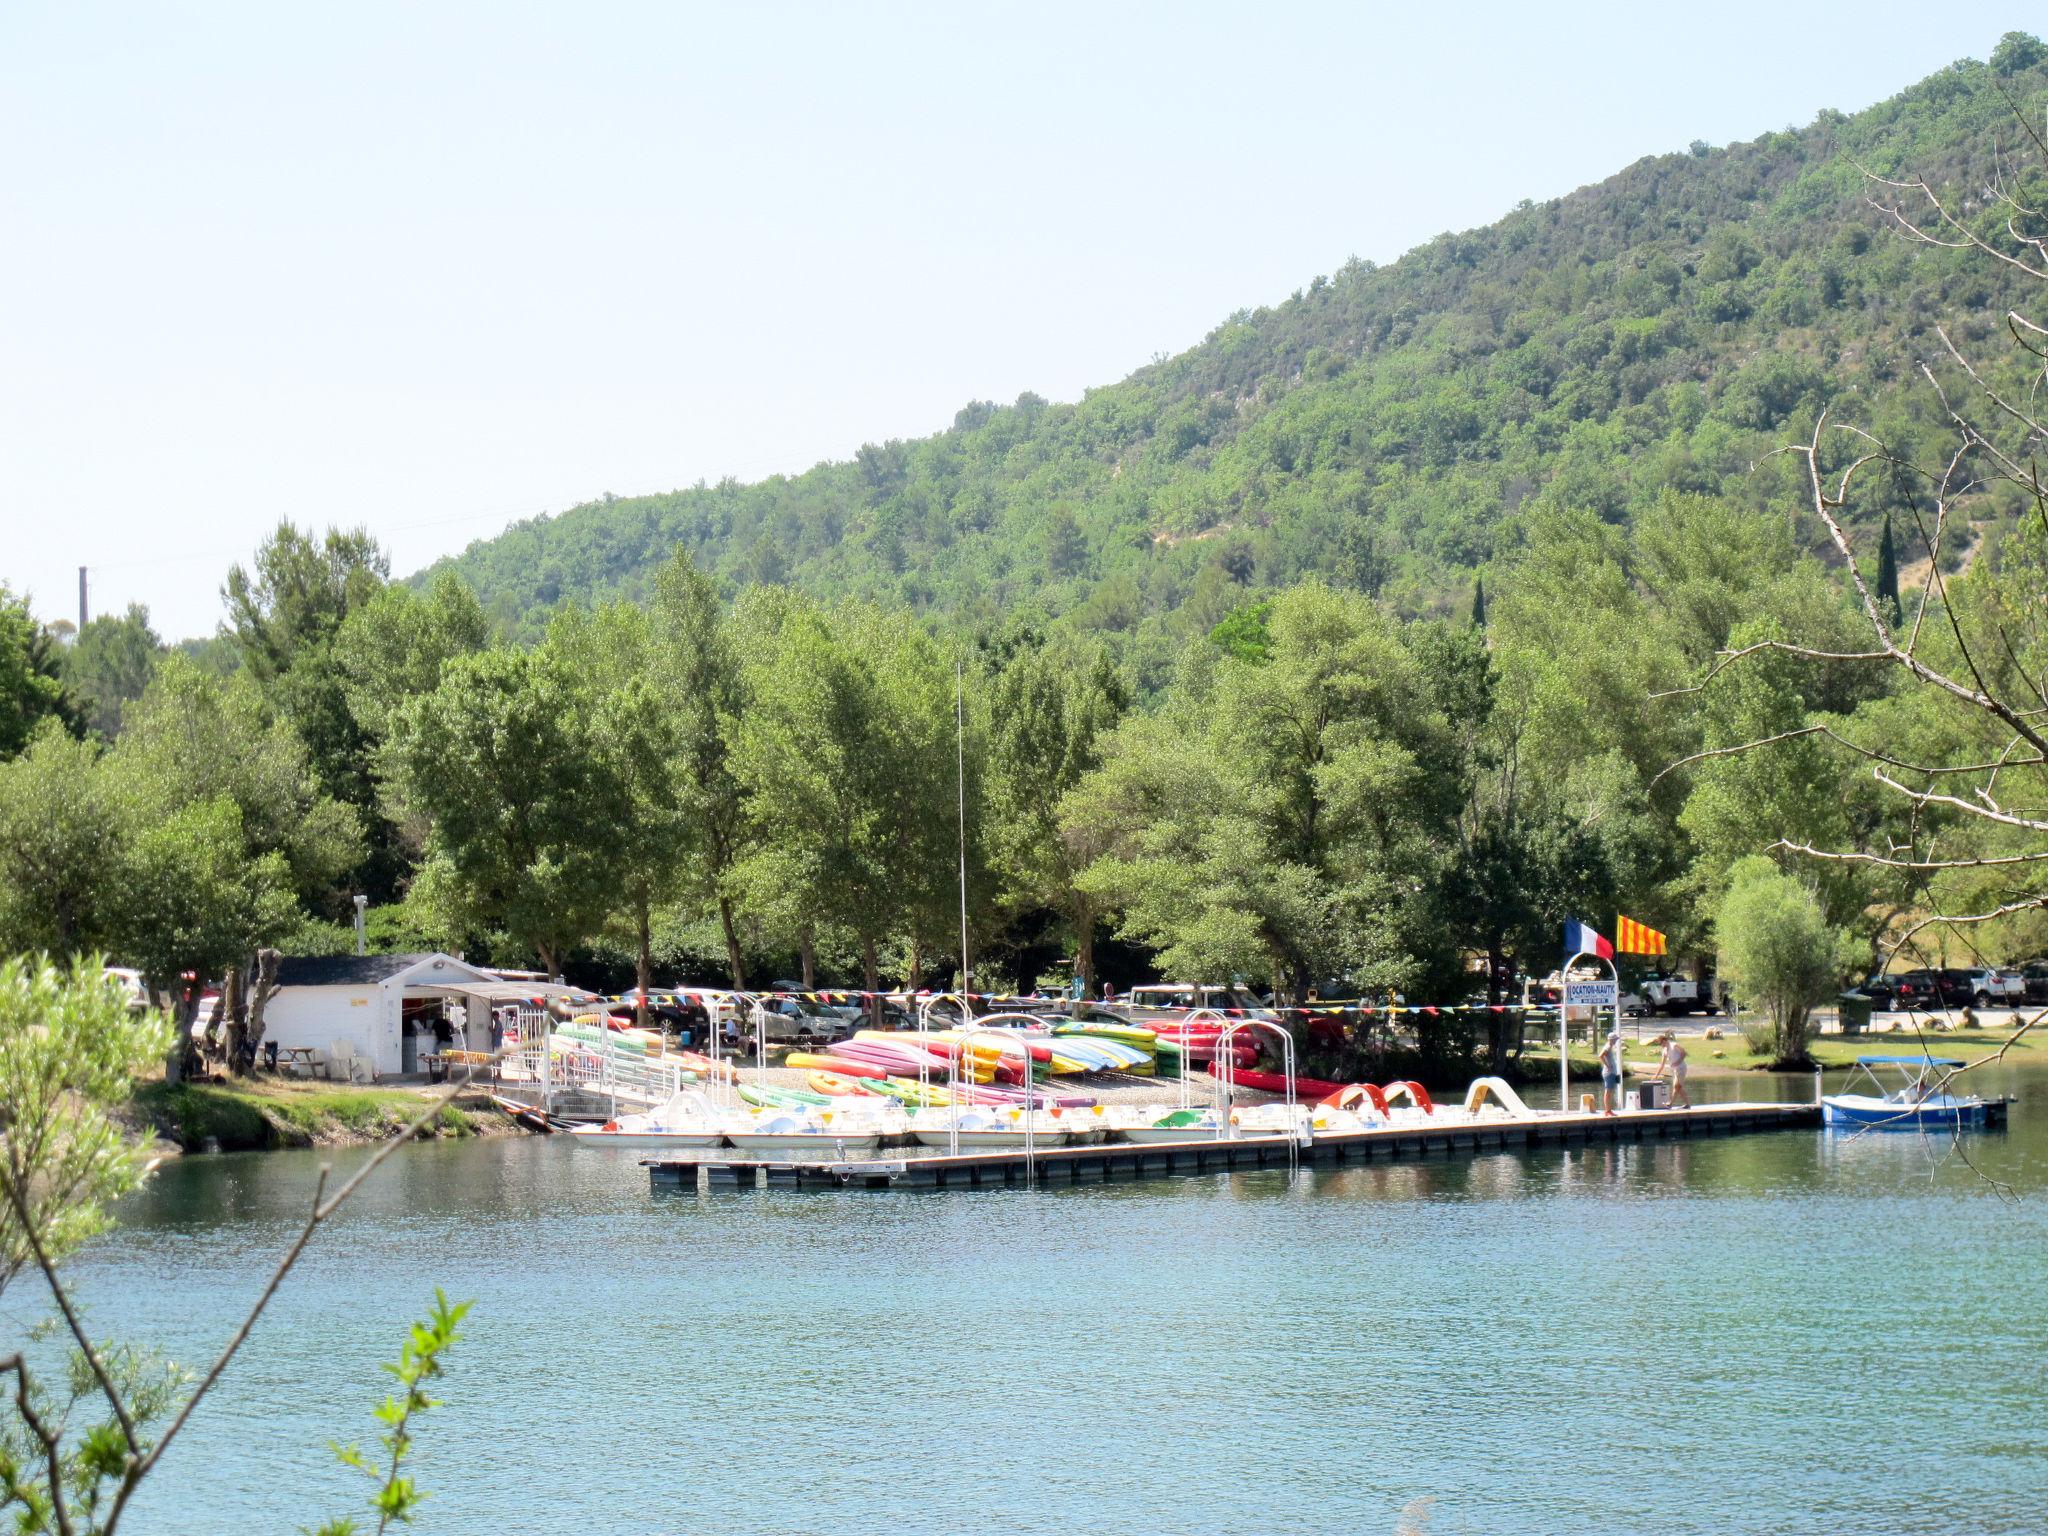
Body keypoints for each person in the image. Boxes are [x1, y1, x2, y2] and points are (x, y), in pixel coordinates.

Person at [1650, 1031, 1691, 1108]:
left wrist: (1677, 1062)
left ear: (1664, 1040)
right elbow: (1662, 1065)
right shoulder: (1665, 1051)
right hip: (1675, 1070)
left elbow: (1684, 1053)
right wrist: (1656, 1075)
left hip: (1681, 1068)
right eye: (1659, 1044)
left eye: (1661, 1043)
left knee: (1677, 1086)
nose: (1660, 1045)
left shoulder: (1674, 1045)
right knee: (1678, 1087)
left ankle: (1671, 1103)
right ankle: (1686, 1104)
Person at [1598, 1029, 1623, 1115]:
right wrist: (1608, 1065)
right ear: (1611, 1039)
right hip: (1609, 1073)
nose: (1616, 1041)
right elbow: (1600, 1056)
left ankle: (1608, 1109)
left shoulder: (1609, 1046)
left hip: (1612, 1072)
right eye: (1615, 1039)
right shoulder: (1608, 1046)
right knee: (1608, 1091)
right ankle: (1607, 1110)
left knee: (1610, 1091)